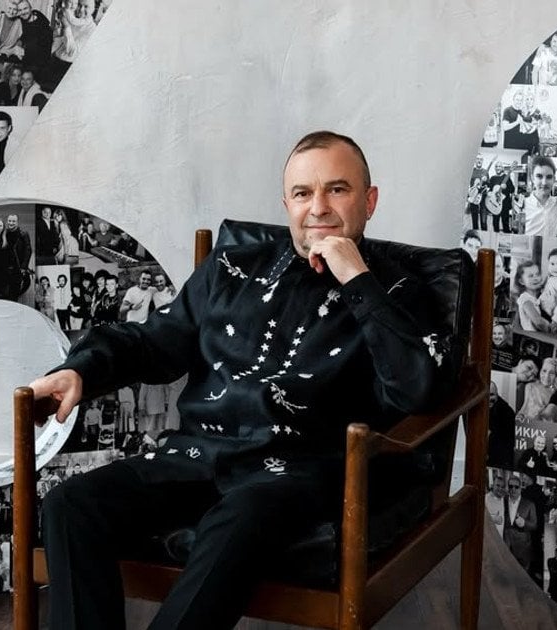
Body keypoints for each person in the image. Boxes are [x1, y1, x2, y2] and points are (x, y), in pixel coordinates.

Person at [29, 131, 456, 629]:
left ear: (370, 200)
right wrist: (81, 369)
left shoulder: (398, 288)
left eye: (337, 189)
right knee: (70, 504)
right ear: (287, 205)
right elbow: (157, 339)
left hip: (299, 472)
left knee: (244, 514)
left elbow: (416, 388)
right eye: (303, 193)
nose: (318, 207)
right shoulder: (234, 266)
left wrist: (356, 280)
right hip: (197, 455)